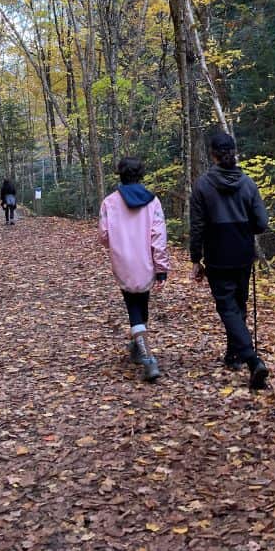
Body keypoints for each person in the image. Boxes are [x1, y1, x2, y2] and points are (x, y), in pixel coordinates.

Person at [190, 131, 270, 391]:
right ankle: (233, 354)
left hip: (217, 255)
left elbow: (198, 225)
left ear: (212, 154)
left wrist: (196, 258)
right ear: (233, 152)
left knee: (227, 307)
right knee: (238, 304)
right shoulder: (248, 183)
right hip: (243, 253)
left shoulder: (202, 185)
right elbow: (261, 224)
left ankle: (251, 359)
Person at [99, 156, 170, 382]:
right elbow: (158, 237)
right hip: (146, 261)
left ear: (120, 174)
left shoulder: (109, 202)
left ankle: (146, 356)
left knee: (133, 306)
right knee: (141, 303)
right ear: (141, 174)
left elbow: (103, 236)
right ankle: (139, 347)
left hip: (123, 262)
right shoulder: (153, 201)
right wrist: (161, 268)